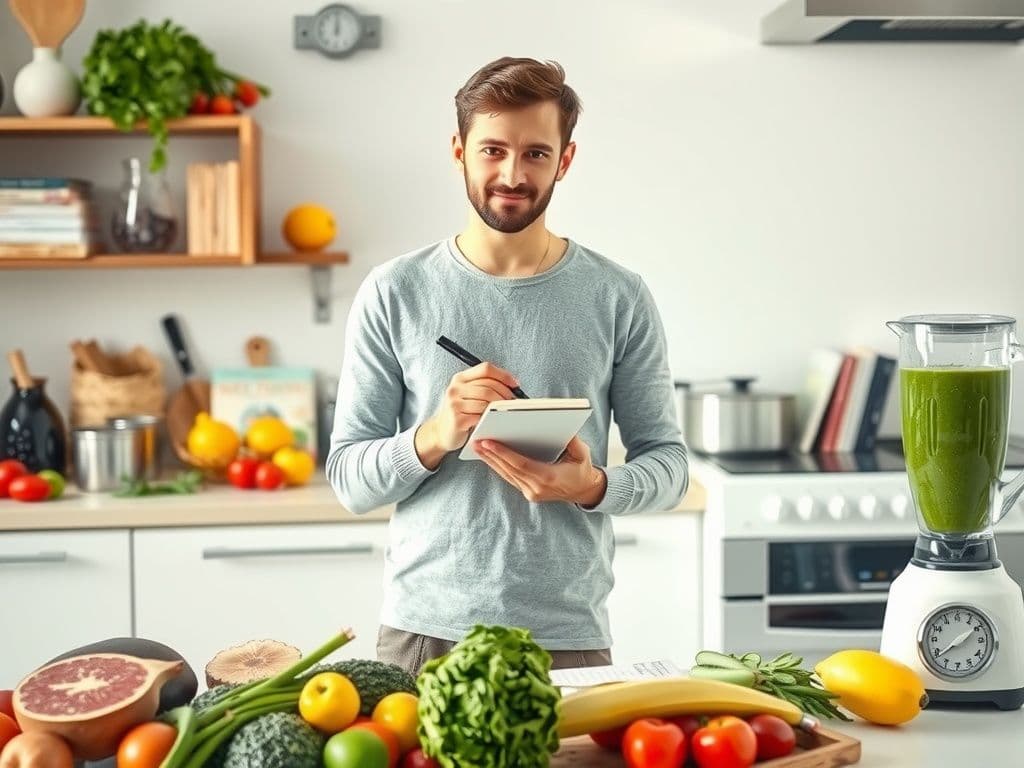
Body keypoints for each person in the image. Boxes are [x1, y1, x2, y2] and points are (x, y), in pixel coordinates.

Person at [327, 56, 688, 675]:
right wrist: (433, 437)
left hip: (566, 639)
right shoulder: (395, 291)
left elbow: (670, 466)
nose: (512, 174)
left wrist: (594, 486)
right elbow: (348, 479)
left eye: (536, 154)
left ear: (565, 160)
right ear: (459, 150)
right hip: (424, 636)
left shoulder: (618, 295)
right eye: (492, 150)